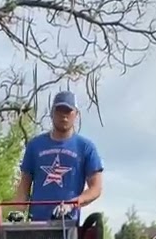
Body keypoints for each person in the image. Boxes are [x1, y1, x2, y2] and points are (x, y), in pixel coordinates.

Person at [9, 90, 104, 223]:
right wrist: (18, 210)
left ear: (76, 114)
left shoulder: (86, 147)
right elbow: (24, 185)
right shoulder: (35, 145)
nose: (63, 115)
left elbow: (96, 188)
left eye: (68, 111)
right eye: (59, 110)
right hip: (36, 223)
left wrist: (72, 204)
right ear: (52, 113)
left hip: (67, 223)